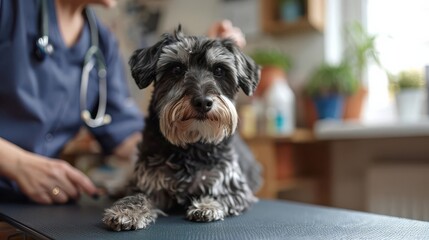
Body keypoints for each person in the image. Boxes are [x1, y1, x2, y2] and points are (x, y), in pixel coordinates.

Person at [0, 0, 246, 205]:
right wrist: (17, 164)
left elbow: (128, 136)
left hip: (35, 203)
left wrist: (201, 59)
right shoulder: (9, 9)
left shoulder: (101, 42)